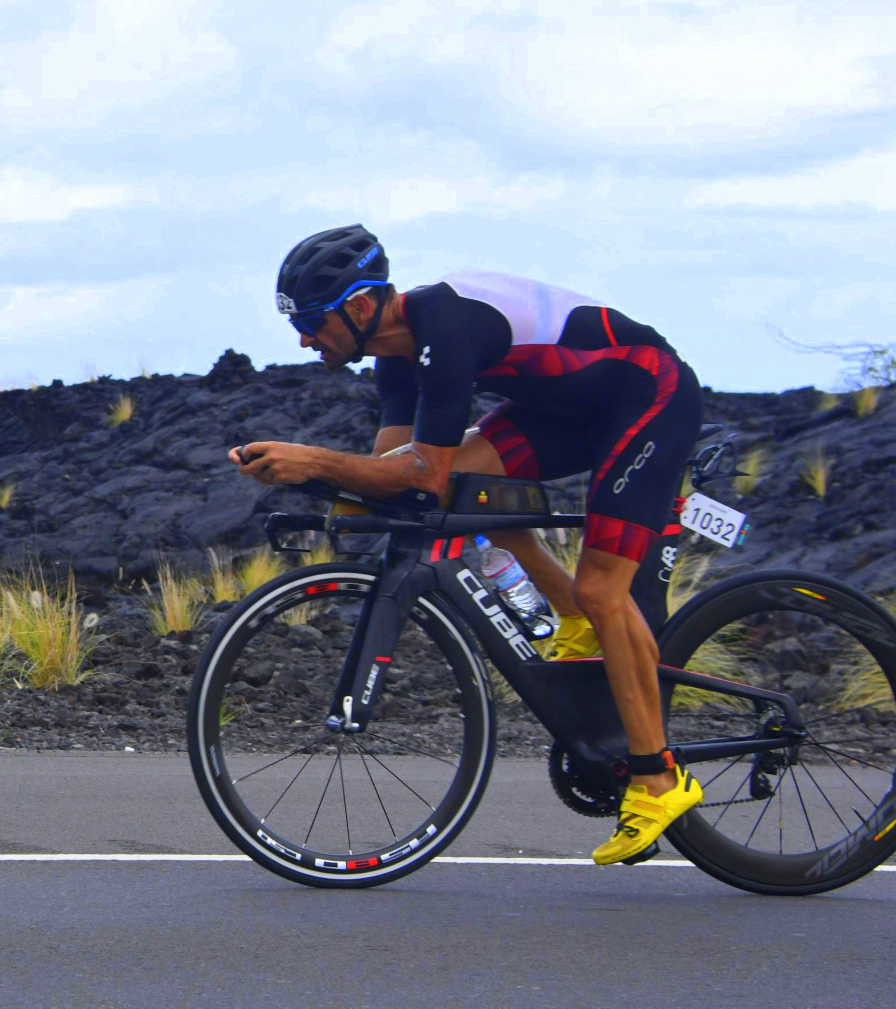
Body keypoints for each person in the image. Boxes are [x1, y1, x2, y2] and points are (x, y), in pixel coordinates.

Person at [230, 223, 702, 865]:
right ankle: (572, 616)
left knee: (604, 587)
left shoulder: (443, 327)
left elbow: (421, 471)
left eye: (313, 322)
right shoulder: (395, 360)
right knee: (466, 490)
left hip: (648, 394)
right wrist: (307, 485)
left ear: (361, 307)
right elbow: (392, 473)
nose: (305, 339)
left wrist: (313, 460)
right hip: (567, 410)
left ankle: (657, 777)